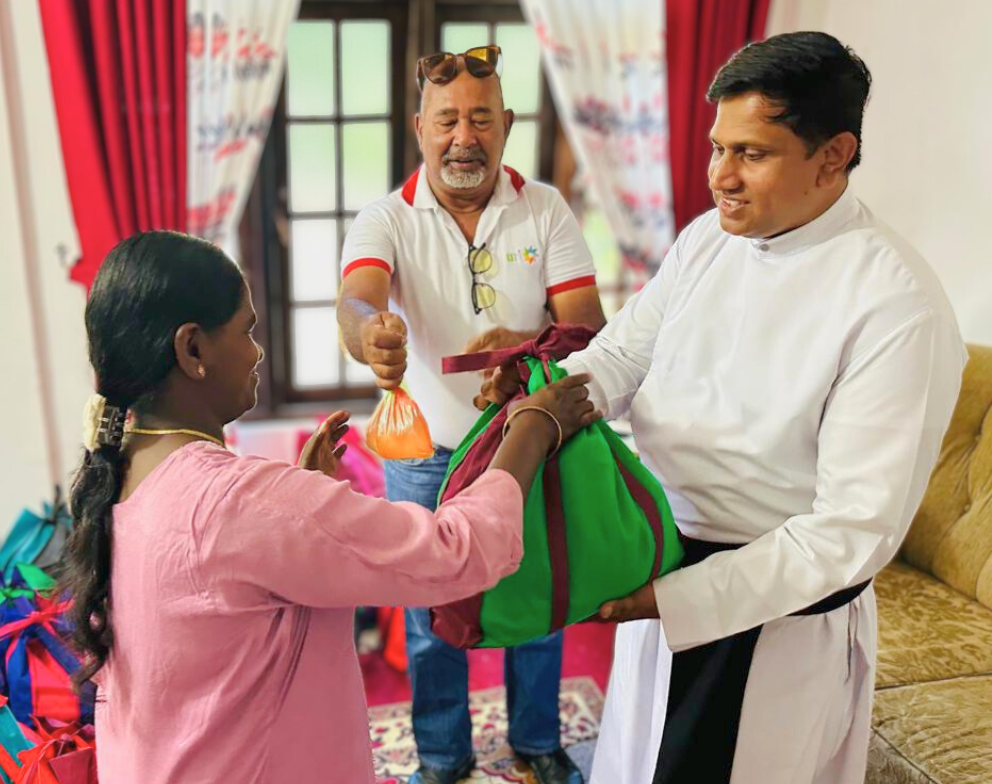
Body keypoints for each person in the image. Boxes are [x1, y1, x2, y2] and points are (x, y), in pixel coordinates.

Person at [482, 31, 967, 784]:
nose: (721, 176)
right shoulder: (709, 239)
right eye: (717, 148)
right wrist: (546, 401)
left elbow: (850, 533)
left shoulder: (896, 306)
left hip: (771, 621)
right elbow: (622, 355)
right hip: (661, 566)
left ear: (833, 156)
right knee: (635, 765)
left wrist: (678, 598)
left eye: (752, 153)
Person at [62, 231, 600, 784]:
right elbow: (456, 553)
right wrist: (531, 428)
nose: (257, 351)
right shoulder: (238, 502)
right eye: (247, 331)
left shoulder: (120, 476)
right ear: (192, 350)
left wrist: (303, 495)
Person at [337, 45, 605, 784]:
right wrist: (369, 333)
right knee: (430, 620)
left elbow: (587, 324)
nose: (465, 137)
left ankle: (538, 741)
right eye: (447, 119)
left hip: (526, 441)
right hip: (424, 456)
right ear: (419, 127)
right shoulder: (386, 217)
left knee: (538, 599)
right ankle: (442, 758)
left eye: (481, 119)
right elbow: (356, 299)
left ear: (507, 124)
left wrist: (523, 345)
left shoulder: (544, 208)